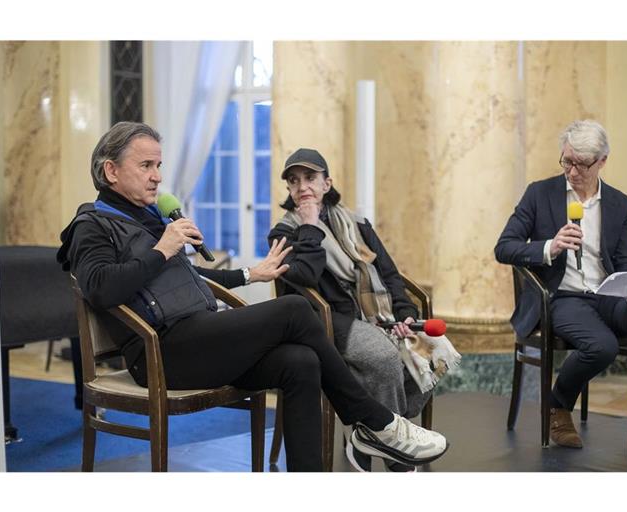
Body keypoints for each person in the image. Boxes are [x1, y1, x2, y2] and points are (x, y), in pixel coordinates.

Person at [56, 121, 448, 472]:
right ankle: (373, 421)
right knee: (295, 308)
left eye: (159, 165)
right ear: (111, 170)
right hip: (161, 352)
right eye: (146, 166)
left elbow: (188, 277)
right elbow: (102, 287)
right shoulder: (92, 224)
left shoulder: (153, 218)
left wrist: (248, 274)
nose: (158, 177)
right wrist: (163, 248)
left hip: (198, 337)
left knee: (301, 361)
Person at [494, 120, 627, 467]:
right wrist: (549, 246)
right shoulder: (539, 193)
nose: (572, 172)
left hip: (608, 296)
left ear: (602, 161)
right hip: (562, 297)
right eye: (566, 161)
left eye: (581, 164)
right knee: (602, 346)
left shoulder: (621, 204)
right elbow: (504, 247)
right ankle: (559, 403)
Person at [267, 148, 437, 472]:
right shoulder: (284, 231)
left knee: (430, 351)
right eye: (294, 180)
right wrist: (310, 227)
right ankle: (396, 451)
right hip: (328, 322)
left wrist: (404, 314)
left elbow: (388, 272)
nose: (302, 186)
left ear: (326, 183)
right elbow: (304, 275)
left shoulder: (356, 222)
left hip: (377, 315)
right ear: (288, 189)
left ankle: (368, 430)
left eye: (310, 178)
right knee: (385, 358)